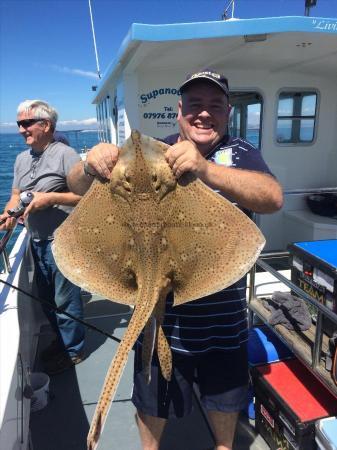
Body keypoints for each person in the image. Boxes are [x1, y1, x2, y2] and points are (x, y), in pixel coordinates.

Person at [67, 69, 283, 450]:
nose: (204, 113)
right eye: (195, 105)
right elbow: (77, 185)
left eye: (214, 105)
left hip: (224, 319)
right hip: (157, 318)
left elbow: (272, 197)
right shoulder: (153, 153)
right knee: (151, 402)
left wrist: (204, 169)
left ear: (228, 112)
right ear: (180, 111)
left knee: (224, 405)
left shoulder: (242, 153)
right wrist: (90, 162)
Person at [0, 100, 85, 375]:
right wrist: (9, 214)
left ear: (45, 125)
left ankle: (73, 351)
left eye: (26, 123)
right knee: (46, 299)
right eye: (19, 124)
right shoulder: (22, 159)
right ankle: (60, 343)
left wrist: (50, 199)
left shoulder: (66, 155)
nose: (21, 129)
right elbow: (16, 195)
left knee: (66, 300)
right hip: (36, 239)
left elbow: (85, 196)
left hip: (63, 240)